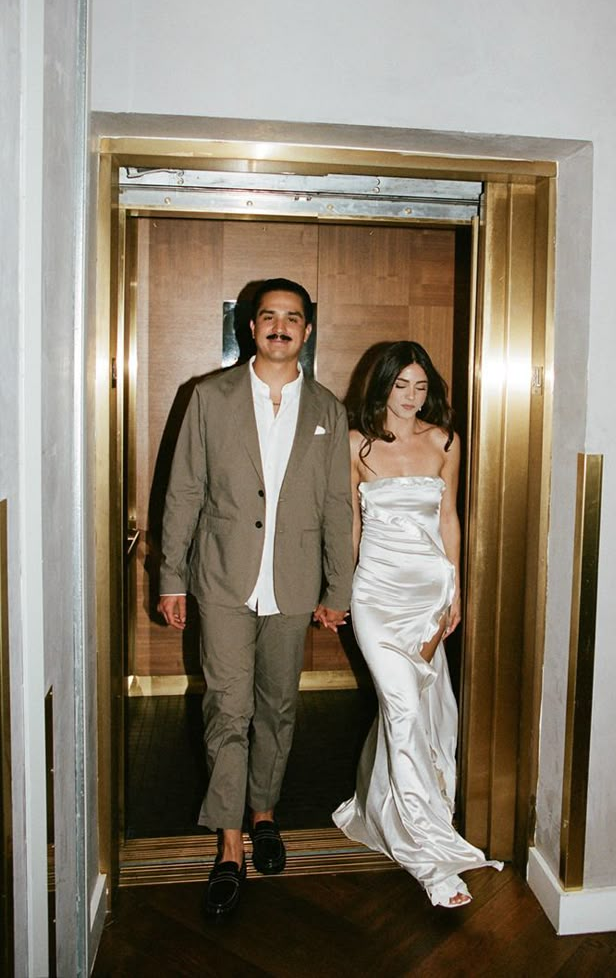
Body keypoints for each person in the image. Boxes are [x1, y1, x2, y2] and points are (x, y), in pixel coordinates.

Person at [157, 278, 353, 920]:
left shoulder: (328, 408)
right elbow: (184, 491)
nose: (279, 326)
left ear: (307, 330)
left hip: (293, 583)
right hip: (222, 580)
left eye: (292, 318)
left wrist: (337, 586)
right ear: (250, 328)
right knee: (228, 707)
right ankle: (230, 843)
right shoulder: (207, 397)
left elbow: (334, 507)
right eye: (268, 316)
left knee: (280, 706)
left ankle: (264, 812)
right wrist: (171, 576)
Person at [332, 341, 503, 907]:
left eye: (421, 386)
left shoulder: (444, 441)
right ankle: (431, 861)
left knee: (415, 711)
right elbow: (351, 525)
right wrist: (341, 591)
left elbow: (450, 518)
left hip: (430, 592)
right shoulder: (356, 444)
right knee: (404, 708)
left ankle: (386, 804)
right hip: (377, 595)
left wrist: (457, 590)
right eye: (401, 385)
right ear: (380, 385)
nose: (410, 397)